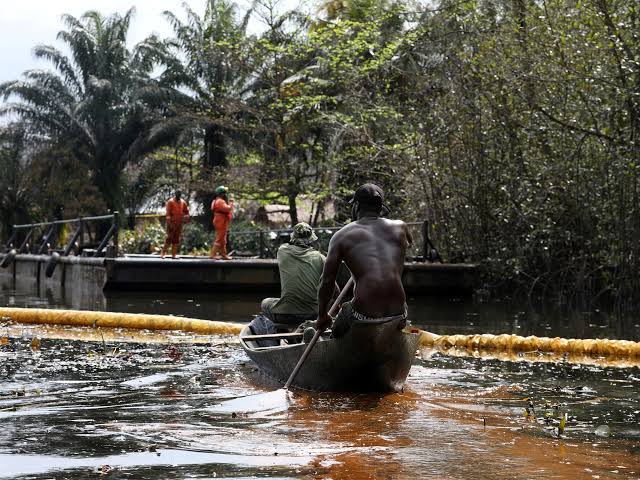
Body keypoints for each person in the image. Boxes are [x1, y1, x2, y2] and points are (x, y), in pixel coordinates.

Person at [316, 183, 413, 338]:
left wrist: (322, 315)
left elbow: (327, 281)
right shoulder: (401, 227)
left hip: (364, 315)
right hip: (398, 313)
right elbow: (409, 242)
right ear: (381, 207)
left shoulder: (341, 236)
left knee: (336, 330)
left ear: (356, 206)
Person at [260, 222, 328, 327]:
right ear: (311, 239)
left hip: (285, 314)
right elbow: (332, 288)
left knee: (265, 303)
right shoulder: (321, 258)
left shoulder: (282, 251)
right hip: (313, 314)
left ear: (293, 237)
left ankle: (277, 333)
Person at [161, 189, 190, 259]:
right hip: (172, 223)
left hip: (179, 223)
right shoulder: (170, 202)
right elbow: (168, 213)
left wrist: (186, 217)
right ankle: (163, 253)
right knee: (169, 238)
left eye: (180, 194)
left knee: (176, 239)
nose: (178, 195)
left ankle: (173, 255)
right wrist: (169, 223)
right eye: (177, 193)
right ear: (175, 194)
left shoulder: (183, 202)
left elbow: (186, 211)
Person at [210, 185, 234, 260]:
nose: (226, 194)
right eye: (224, 193)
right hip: (220, 221)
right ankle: (213, 254)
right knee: (220, 238)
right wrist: (231, 202)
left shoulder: (218, 200)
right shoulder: (220, 201)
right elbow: (228, 209)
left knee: (223, 239)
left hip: (220, 220)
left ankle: (224, 254)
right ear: (221, 194)